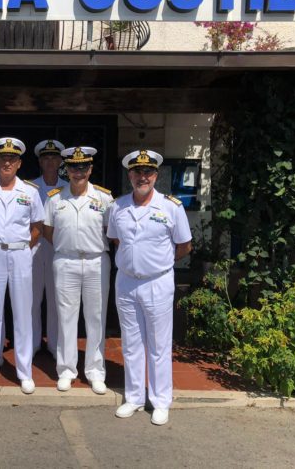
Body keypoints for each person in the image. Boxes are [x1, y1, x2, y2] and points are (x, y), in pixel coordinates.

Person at [107, 150, 192, 426]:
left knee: (158, 344)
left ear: (156, 175)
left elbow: (184, 246)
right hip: (126, 281)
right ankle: (134, 397)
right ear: (129, 175)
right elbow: (116, 240)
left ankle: (160, 400)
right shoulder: (118, 206)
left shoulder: (171, 207)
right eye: (137, 172)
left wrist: (158, 263)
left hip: (157, 282)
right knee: (131, 343)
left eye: (148, 172)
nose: (142, 177)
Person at [0, 137, 44, 395]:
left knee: (23, 313)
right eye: (2, 158)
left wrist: (23, 246)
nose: (7, 163)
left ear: (19, 163)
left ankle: (25, 372)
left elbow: (37, 227)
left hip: (19, 253)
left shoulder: (30, 191)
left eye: (12, 159)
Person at [43, 147, 113, 395]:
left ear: (90, 169)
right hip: (66, 261)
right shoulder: (55, 199)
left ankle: (95, 371)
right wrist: (69, 247)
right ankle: (66, 370)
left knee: (96, 318)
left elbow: (111, 231)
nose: (78, 172)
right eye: (73, 167)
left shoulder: (104, 198)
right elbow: (48, 232)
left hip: (96, 261)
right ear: (67, 170)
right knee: (66, 317)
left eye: (83, 167)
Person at [31, 139, 68, 358]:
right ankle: (33, 342)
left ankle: (55, 344)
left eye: (54, 157)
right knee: (32, 299)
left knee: (56, 298)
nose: (50, 161)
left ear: (61, 161)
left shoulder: (68, 188)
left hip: (57, 246)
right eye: (46, 158)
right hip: (34, 247)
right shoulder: (30, 187)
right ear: (39, 161)